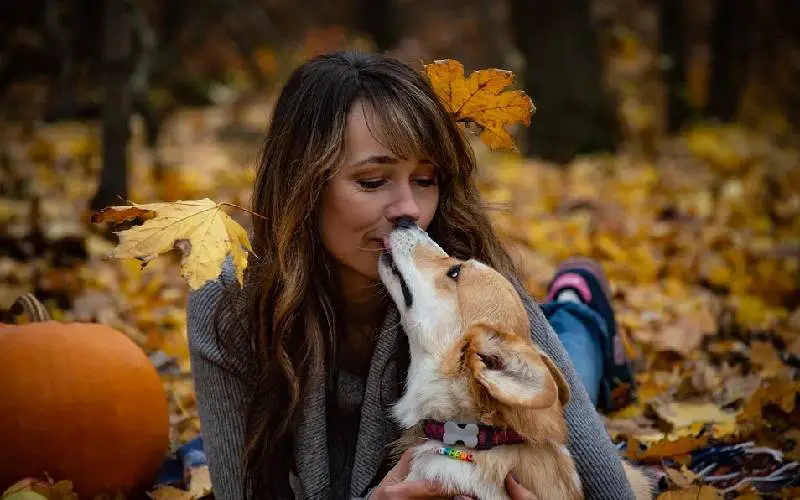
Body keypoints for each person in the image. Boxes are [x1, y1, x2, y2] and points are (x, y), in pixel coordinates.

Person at [186, 50, 638, 500]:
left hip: (503, 383)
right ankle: (573, 313)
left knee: (555, 385)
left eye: (425, 180)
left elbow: (608, 487)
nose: (409, 211)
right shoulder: (231, 296)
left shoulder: (456, 268)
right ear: (303, 186)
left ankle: (578, 311)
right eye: (372, 181)